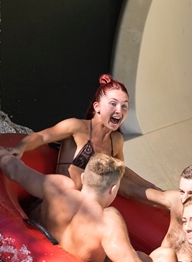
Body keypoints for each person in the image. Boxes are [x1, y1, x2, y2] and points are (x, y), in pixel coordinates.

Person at [0, 145, 175, 262]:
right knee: (148, 259)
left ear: (84, 178)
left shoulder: (58, 187)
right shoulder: (108, 220)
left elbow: (15, 171)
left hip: (38, 261)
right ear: (113, 189)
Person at [8, 74, 154, 191]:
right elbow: (41, 137)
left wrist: (151, 186)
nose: (119, 110)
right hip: (60, 200)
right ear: (97, 107)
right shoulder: (76, 127)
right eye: (113, 104)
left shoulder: (116, 140)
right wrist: (21, 147)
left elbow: (121, 171)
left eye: (124, 106)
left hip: (84, 208)